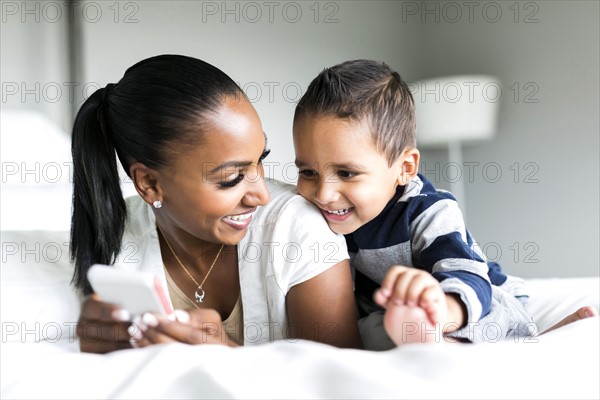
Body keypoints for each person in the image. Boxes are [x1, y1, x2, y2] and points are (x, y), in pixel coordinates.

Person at [291, 59, 598, 349]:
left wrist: (439, 309)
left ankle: (539, 339)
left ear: (405, 168)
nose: (324, 193)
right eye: (308, 172)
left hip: (473, 298)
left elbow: (467, 276)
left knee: (480, 319)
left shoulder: (428, 211)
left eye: (346, 173)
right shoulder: (316, 220)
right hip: (397, 315)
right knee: (375, 330)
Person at [69, 54, 362, 353]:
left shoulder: (297, 227)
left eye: (259, 161)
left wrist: (228, 358)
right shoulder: (118, 236)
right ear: (149, 184)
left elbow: (343, 381)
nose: (261, 195)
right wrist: (101, 351)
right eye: (232, 178)